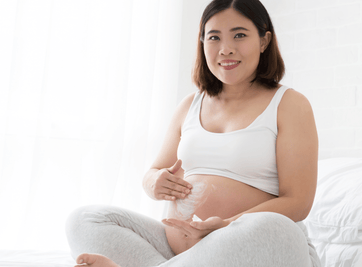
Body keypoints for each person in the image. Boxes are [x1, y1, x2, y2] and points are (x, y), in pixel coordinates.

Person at [65, 0, 322, 266]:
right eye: (214, 37)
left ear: (264, 41)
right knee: (84, 219)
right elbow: (154, 172)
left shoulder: (289, 104)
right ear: (202, 43)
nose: (226, 49)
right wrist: (154, 183)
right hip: (181, 253)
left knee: (274, 229)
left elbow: (298, 202)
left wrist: (226, 225)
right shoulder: (189, 105)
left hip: (253, 246)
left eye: (240, 35)